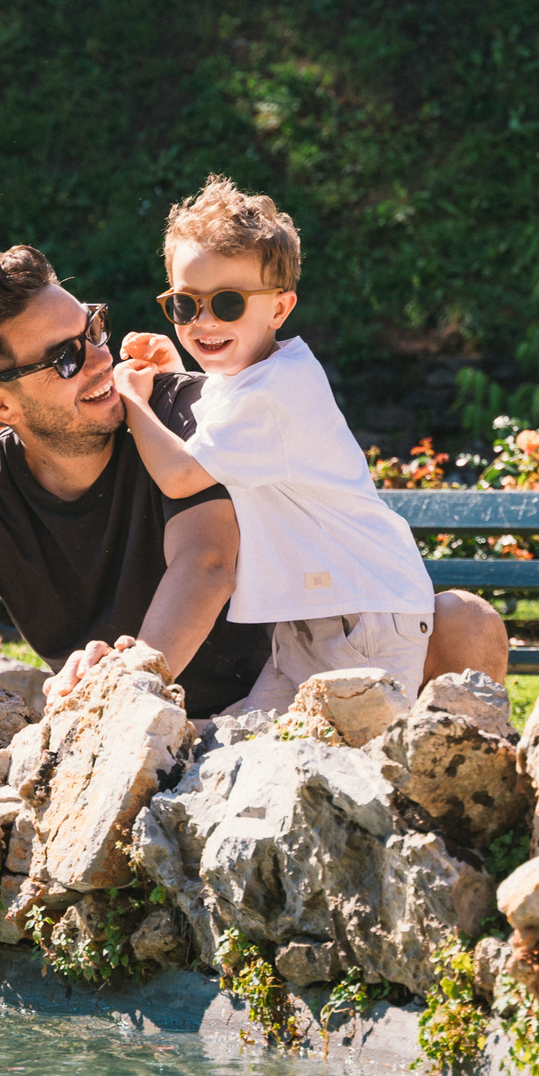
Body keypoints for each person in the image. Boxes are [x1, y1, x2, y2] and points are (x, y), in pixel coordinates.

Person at [0, 247, 507, 808]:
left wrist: (135, 679)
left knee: (465, 622)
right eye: (61, 358)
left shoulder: (182, 413)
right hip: (147, 754)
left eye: (88, 330)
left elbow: (209, 557)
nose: (94, 358)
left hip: (296, 691)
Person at [112, 177, 433, 714]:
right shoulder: (256, 376)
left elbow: (181, 474)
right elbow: (219, 410)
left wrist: (132, 399)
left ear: (280, 309)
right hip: (312, 619)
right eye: (185, 305)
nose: (204, 321)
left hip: (366, 613)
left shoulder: (276, 392)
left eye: (228, 303)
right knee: (251, 747)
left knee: (368, 763)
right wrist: (176, 369)